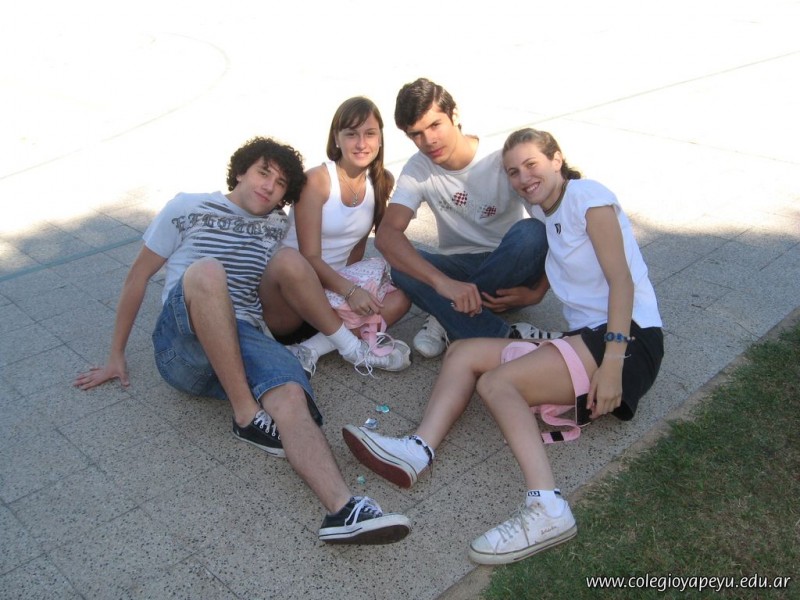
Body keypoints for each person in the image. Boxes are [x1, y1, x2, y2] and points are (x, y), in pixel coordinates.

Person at [342, 127, 664, 562]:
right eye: (513, 172)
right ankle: (416, 451)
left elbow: (621, 280)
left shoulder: (588, 196)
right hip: (587, 340)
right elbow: (562, 249)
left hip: (629, 341)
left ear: (557, 159)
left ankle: (547, 508)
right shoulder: (546, 210)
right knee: (463, 352)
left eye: (531, 164)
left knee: (497, 384)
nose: (523, 178)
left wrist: (612, 364)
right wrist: (535, 293)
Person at [74, 136, 411, 545]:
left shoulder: (276, 226)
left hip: (243, 337)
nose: (269, 186)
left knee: (290, 395)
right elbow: (137, 277)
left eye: (280, 183)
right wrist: (116, 355)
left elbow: (313, 257)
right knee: (208, 271)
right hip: (185, 344)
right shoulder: (187, 207)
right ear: (240, 172)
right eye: (263, 173)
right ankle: (247, 416)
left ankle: (344, 510)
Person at [375, 78, 562, 359]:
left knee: (531, 233)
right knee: (400, 266)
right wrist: (444, 284)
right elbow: (386, 236)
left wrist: (538, 291)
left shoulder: (499, 157)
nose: (429, 141)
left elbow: (556, 223)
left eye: (435, 125)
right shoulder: (418, 168)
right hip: (458, 269)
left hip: (509, 269)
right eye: (416, 134)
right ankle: (504, 336)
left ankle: (443, 315)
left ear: (454, 115)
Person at [275, 96, 412, 374]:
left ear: (380, 139)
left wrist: (353, 294)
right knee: (296, 264)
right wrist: (351, 291)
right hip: (295, 293)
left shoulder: (381, 181)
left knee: (402, 298)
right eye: (351, 134)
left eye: (369, 133)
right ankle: (351, 347)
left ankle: (310, 349)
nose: (361, 143)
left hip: (334, 292)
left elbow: (357, 249)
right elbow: (309, 257)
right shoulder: (317, 180)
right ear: (336, 139)